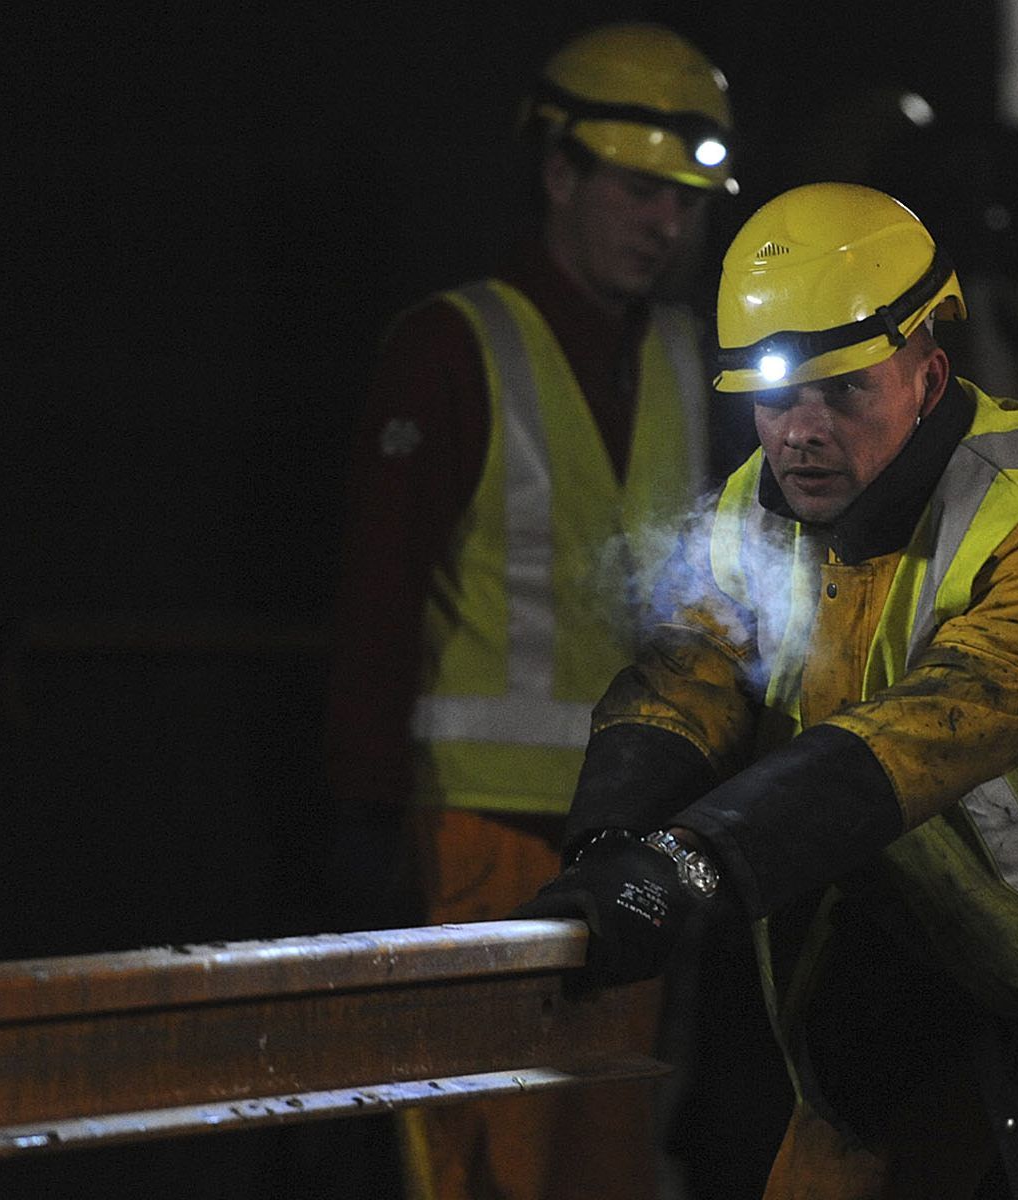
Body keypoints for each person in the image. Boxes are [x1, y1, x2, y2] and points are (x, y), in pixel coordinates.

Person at [514, 181, 1018, 1199]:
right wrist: (613, 842)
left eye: (842, 392)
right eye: (773, 394)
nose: (798, 431)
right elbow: (690, 670)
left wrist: (688, 871)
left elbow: (922, 738)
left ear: (928, 378)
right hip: (942, 919)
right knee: (830, 1162)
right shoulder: (764, 507)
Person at [322, 21, 738, 1200]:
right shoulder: (452, 348)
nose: (665, 223)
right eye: (638, 189)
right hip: (479, 836)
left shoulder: (676, 357)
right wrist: (364, 805)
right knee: (477, 1163)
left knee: (606, 1160)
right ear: (559, 171)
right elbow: (379, 595)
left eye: (684, 198)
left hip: (634, 846)